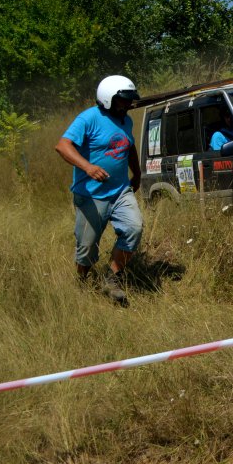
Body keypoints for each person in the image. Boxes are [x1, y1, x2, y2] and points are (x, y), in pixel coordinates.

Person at [55, 75, 143, 306]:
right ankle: (82, 283)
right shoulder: (89, 118)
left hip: (120, 191)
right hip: (91, 195)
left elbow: (129, 146)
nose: (128, 104)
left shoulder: (126, 121)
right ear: (107, 98)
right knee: (86, 249)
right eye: (123, 100)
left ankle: (112, 278)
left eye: (130, 100)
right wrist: (88, 167)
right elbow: (62, 146)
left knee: (133, 229)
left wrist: (137, 173)